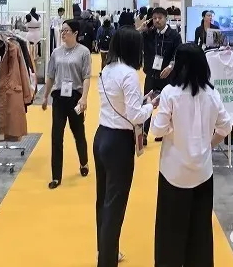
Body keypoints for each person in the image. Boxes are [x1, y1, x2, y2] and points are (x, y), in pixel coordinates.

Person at [150, 43, 233, 266]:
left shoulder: (170, 94)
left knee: (169, 232)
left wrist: (166, 125)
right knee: (200, 231)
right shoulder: (212, 94)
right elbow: (225, 127)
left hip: (173, 172)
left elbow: (157, 130)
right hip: (203, 173)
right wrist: (208, 144)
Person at [95, 27, 157, 266]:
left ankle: (106, 251)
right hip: (119, 142)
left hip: (102, 135)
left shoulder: (107, 69)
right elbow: (135, 115)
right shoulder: (129, 74)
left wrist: (141, 103)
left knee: (103, 200)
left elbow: (120, 105)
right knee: (115, 204)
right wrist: (151, 106)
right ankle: (107, 260)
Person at [42, 19, 92, 189]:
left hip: (75, 97)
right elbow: (50, 75)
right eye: (62, 30)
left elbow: (86, 77)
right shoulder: (56, 52)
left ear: (76, 33)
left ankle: (84, 162)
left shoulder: (84, 52)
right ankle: (56, 176)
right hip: (59, 98)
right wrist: (45, 96)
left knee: (78, 133)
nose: (63, 33)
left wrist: (84, 97)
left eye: (66, 30)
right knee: (56, 136)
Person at [139, 6, 181, 145]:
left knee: (167, 104)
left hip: (167, 75)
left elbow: (178, 53)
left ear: (166, 18)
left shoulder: (174, 35)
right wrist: (141, 29)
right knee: (147, 103)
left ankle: (164, 131)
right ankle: (144, 133)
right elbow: (133, 40)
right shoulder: (148, 34)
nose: (157, 20)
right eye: (154, 18)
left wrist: (171, 66)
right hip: (151, 74)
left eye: (160, 18)